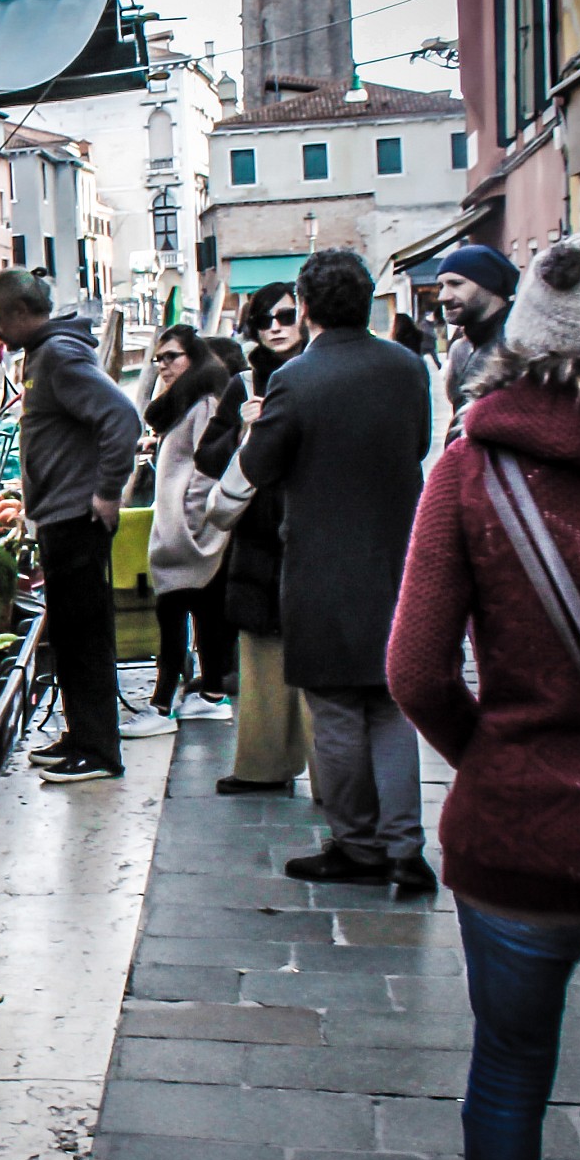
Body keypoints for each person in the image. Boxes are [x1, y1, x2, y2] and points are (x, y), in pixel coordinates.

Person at [387, 231, 580, 1160]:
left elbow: (414, 672)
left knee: (507, 1067)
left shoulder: (468, 466)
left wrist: (493, 759)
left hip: (515, 838)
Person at [238, 248, 435, 890]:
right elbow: (417, 445)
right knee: (391, 707)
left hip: (323, 567)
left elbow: (261, 467)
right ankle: (406, 848)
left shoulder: (297, 376)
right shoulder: (408, 367)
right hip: (397, 561)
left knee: (338, 712)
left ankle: (357, 847)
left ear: (311, 307)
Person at [0, 268, 141, 785]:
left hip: (77, 518)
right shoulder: (43, 356)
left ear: (22, 314)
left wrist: (107, 492)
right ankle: (80, 735)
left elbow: (121, 416)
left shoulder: (58, 356)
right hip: (58, 516)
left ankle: (99, 751)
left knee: (86, 637)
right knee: (70, 636)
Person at [195, 283, 314, 795]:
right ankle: (263, 765)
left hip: (313, 530)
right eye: (265, 320)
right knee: (262, 657)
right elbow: (207, 457)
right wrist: (241, 432)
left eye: (286, 316)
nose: (276, 326)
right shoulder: (242, 385)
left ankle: (333, 777)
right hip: (260, 536)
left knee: (317, 658)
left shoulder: (318, 374)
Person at [127, 324, 237, 740]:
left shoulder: (205, 402)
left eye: (171, 357)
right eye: (158, 359)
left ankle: (162, 704)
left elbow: (208, 469)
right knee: (202, 613)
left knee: (172, 613)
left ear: (194, 358)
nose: (163, 366)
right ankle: (209, 695)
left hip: (188, 533)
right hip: (185, 529)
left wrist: (189, 524)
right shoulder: (190, 402)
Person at [439, 243, 519, 431]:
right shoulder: (461, 350)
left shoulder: (519, 347)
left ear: (490, 284)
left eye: (456, 284)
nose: (443, 296)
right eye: (440, 286)